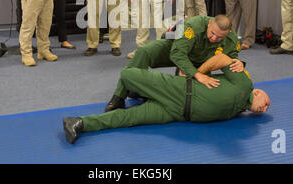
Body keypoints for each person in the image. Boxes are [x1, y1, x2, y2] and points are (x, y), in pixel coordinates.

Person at [62, 52, 271, 144]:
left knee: (128, 119)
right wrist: (199, 74)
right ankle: (125, 94)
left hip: (174, 114)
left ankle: (79, 122)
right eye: (266, 103)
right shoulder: (245, 84)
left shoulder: (239, 111)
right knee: (128, 74)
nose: (265, 108)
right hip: (178, 90)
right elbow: (223, 59)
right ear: (258, 92)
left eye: (266, 109)